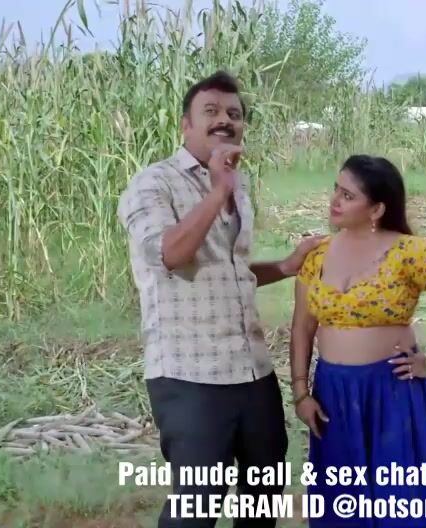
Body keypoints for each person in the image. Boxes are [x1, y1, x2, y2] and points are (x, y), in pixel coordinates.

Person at [117, 70, 324, 528]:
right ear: (185, 125)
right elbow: (170, 255)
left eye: (234, 113)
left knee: (262, 500)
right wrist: (217, 193)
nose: (224, 121)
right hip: (189, 374)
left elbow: (230, 271)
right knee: (196, 509)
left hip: (252, 370)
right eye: (210, 111)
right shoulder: (153, 183)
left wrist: (286, 266)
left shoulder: (235, 185)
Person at [289, 155, 426, 527]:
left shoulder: (411, 252)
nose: (334, 200)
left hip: (389, 390)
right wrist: (300, 392)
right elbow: (302, 327)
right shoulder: (316, 254)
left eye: (348, 195)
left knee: (397, 498)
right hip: (332, 392)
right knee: (342, 500)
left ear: (377, 209)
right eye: (336, 189)